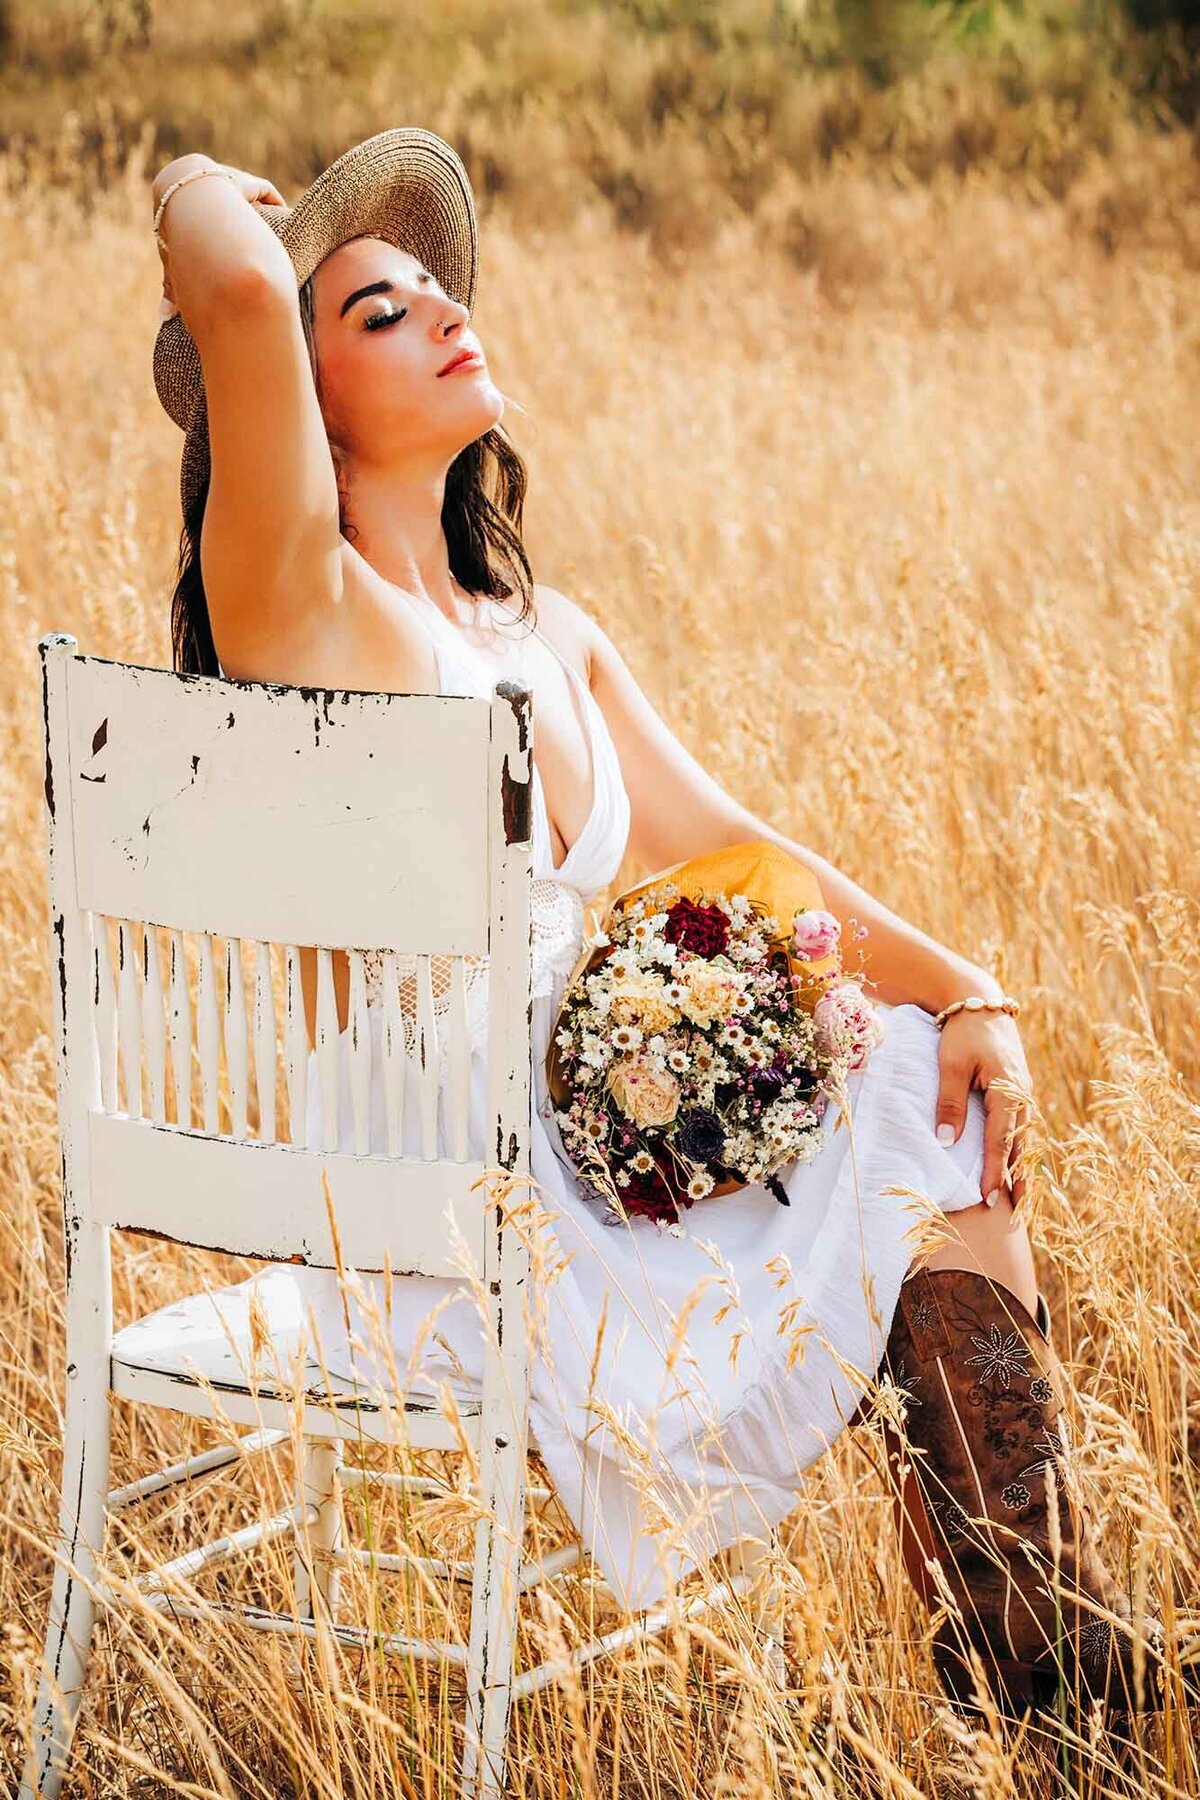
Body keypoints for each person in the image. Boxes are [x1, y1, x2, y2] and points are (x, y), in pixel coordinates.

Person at [149, 131, 1192, 1729]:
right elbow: (228, 282)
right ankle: (1037, 1660)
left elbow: (743, 851)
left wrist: (971, 989)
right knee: (895, 1122)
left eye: (440, 288)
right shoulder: (306, 607)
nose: (441, 313)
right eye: (375, 312)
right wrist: (203, 192)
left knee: (923, 1075)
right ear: (295, 395)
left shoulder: (543, 636)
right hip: (443, 1207)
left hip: (593, 1160)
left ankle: (1033, 1640)